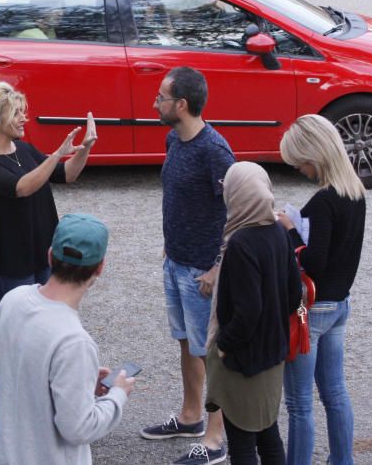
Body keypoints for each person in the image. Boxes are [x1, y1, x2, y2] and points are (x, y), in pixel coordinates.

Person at [0, 213, 137, 465]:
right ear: (100, 267)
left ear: (50, 255)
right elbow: (79, 428)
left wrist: (80, 382)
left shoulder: (12, 300)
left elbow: (11, 372)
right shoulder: (74, 342)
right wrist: (117, 396)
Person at [142, 66, 233, 465]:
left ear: (181, 104)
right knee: (186, 343)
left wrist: (218, 266)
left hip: (203, 272)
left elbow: (241, 211)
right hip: (176, 262)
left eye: (160, 97)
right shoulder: (173, 139)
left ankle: (215, 440)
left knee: (211, 353)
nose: (154, 103)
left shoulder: (215, 151)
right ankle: (191, 416)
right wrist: (170, 243)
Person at [277, 114, 366, 465]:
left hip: (311, 310)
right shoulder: (355, 193)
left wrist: (289, 229)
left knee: (299, 403)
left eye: (300, 162)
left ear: (315, 155)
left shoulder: (322, 203)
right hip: (340, 304)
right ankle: (342, 460)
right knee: (335, 392)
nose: (299, 168)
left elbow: (314, 261)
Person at [0, 76, 97, 305]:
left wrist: (85, 148)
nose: (23, 118)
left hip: (43, 254)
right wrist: (57, 153)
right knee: (20, 327)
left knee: (45, 321)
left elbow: (67, 174)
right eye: (16, 113)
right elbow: (23, 187)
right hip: (12, 263)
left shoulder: (24, 149)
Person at [205, 162, 301, 465]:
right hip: (272, 355)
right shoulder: (277, 231)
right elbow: (293, 295)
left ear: (236, 196)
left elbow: (248, 311)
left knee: (242, 442)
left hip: (244, 360)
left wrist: (224, 344)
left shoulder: (241, 243)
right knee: (268, 433)